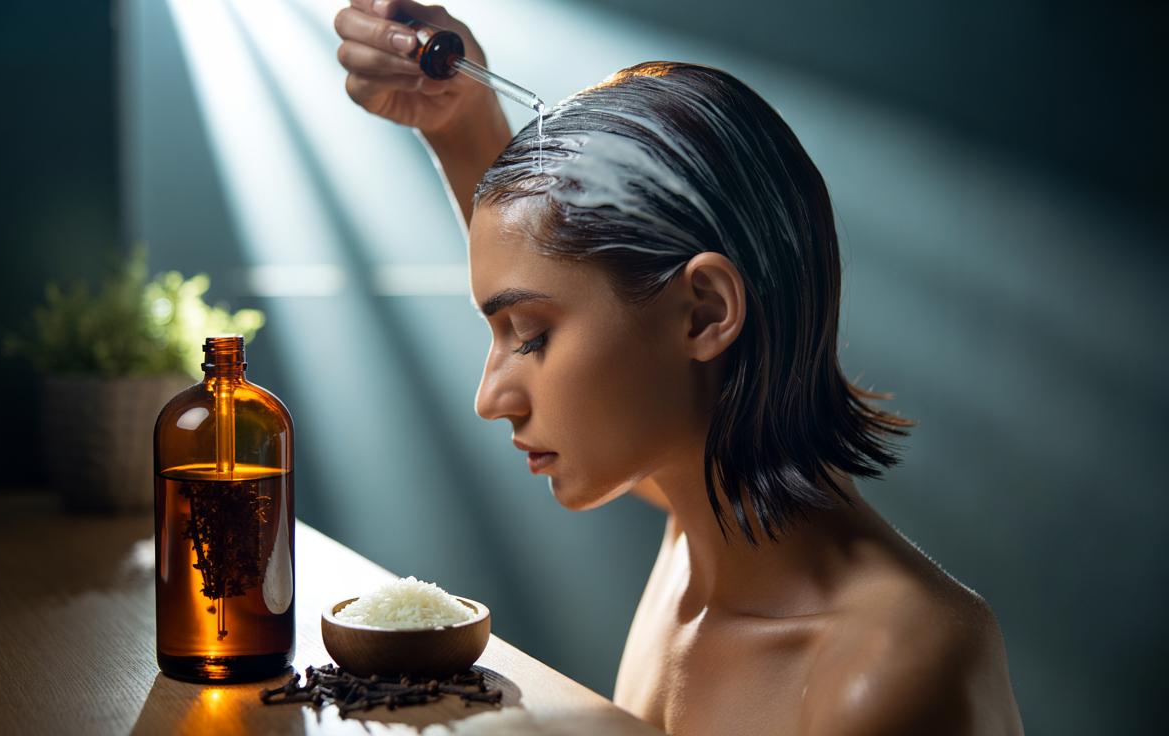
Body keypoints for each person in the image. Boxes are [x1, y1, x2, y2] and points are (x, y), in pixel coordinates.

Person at [334, 2, 1025, 734]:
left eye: (530, 336)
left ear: (703, 312)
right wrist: (460, 123)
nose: (490, 397)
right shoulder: (706, 521)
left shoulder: (889, 675)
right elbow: (558, 262)